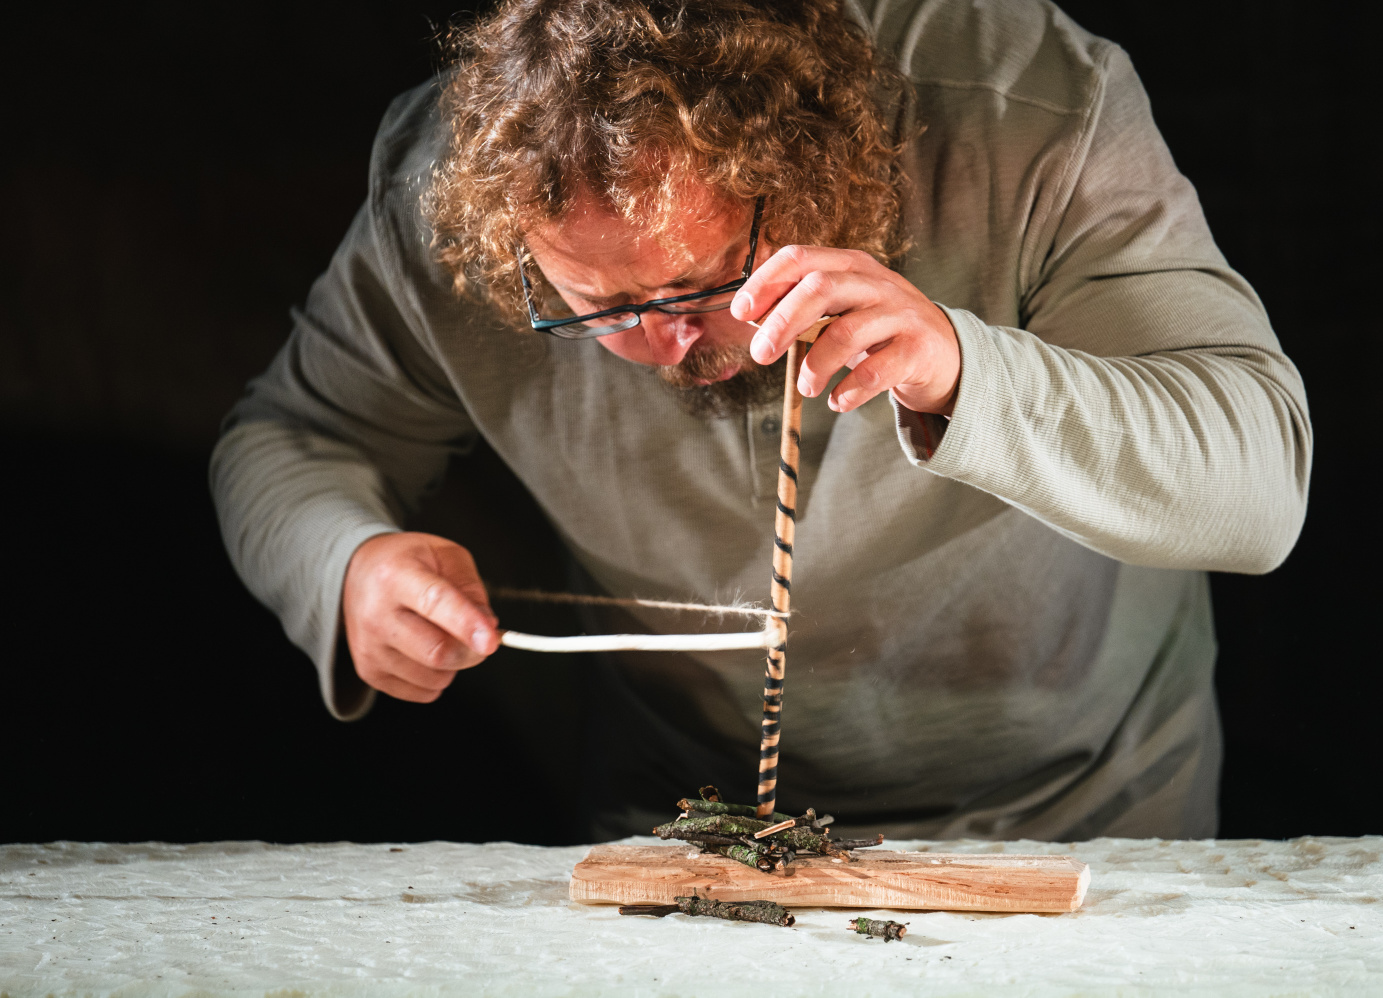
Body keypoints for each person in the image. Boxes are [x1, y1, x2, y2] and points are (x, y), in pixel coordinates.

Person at [211, 0, 1311, 841]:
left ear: (811, 164)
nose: (665, 344)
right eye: (599, 305)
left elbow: (1260, 485)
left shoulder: (1029, 112)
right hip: (685, 828)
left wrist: (969, 371)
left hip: (1078, 815)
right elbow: (293, 437)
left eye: (699, 285)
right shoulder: (457, 185)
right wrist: (342, 562)